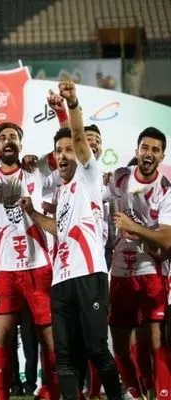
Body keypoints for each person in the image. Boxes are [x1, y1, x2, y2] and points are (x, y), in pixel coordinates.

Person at [18, 80, 123, 400]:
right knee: (64, 357)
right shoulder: (63, 192)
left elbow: (77, 137)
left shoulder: (89, 176)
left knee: (97, 349)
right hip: (61, 281)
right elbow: (59, 229)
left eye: (69, 150)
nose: (63, 156)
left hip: (89, 276)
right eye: (58, 151)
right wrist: (33, 214)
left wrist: (70, 106)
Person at [0, 83, 60, 400]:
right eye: (3, 137)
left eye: (13, 136)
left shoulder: (36, 170)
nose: (8, 140)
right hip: (7, 271)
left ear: (21, 143)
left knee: (48, 337)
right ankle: (1, 395)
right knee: (3, 335)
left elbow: (66, 152)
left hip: (39, 268)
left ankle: (51, 391)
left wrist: (61, 111)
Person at [105, 127, 170, 400]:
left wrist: (134, 228)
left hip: (151, 269)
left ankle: (162, 395)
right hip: (121, 271)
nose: (149, 153)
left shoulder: (165, 189)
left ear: (162, 156)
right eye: (145, 147)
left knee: (156, 338)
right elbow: (91, 191)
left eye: (155, 149)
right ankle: (138, 394)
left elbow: (167, 239)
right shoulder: (119, 177)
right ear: (137, 151)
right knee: (120, 346)